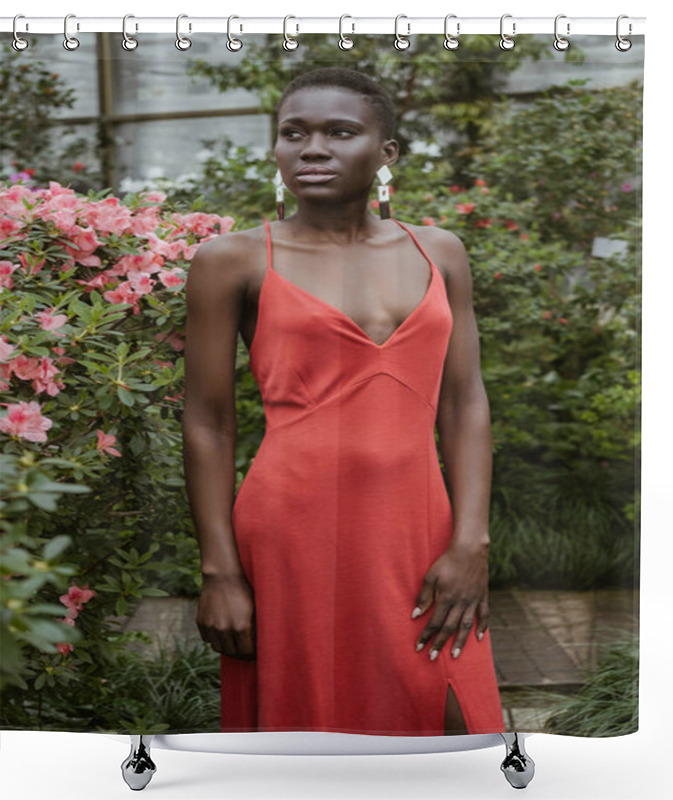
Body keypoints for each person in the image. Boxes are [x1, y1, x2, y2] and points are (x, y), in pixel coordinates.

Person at [182, 67, 506, 736]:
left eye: (340, 132)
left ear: (386, 153)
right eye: (292, 133)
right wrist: (220, 571)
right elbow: (209, 423)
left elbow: (465, 402)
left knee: (452, 718)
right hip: (289, 533)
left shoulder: (439, 251)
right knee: (303, 718)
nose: (312, 148)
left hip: (417, 526)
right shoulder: (232, 260)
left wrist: (471, 539)